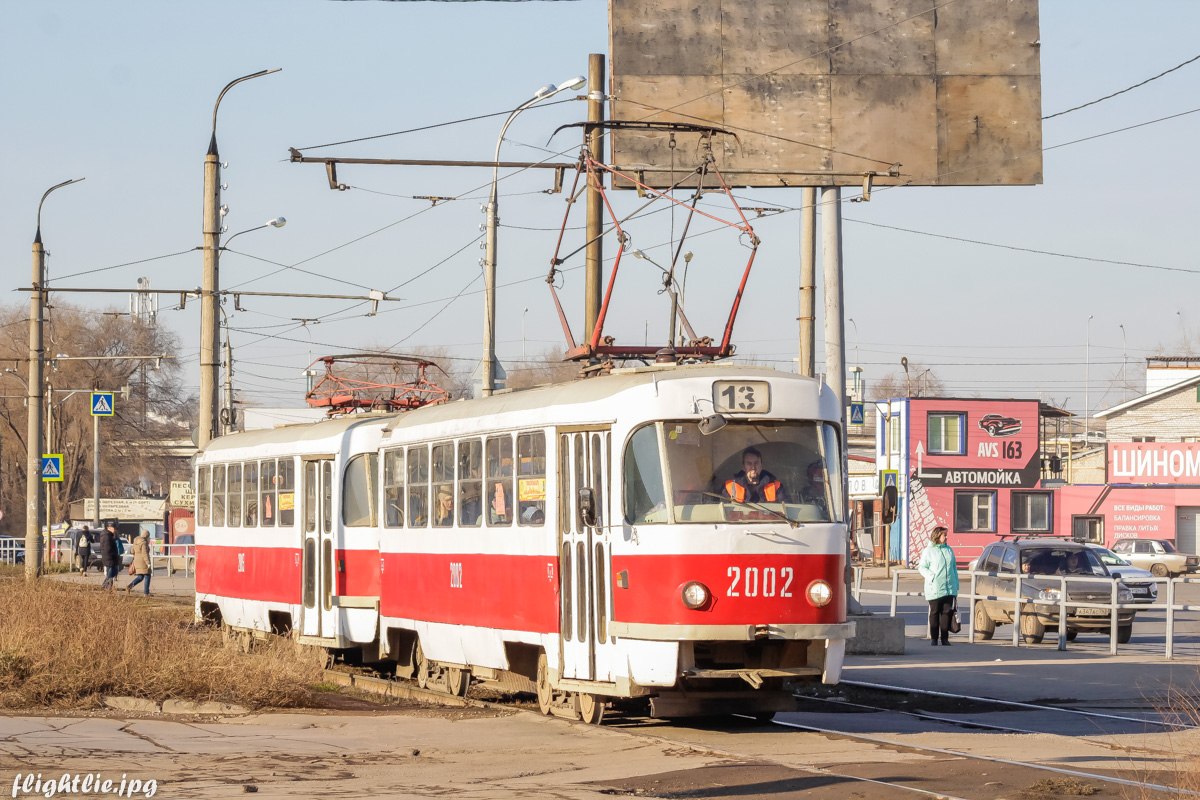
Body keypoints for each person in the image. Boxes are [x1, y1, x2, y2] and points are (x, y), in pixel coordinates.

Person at [917, 526, 959, 646]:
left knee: (947, 612)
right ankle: (934, 638)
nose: (946, 537)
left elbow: (954, 568)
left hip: (949, 587)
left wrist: (956, 585)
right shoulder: (928, 551)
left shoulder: (949, 550)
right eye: (944, 535)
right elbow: (922, 567)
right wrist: (931, 576)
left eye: (946, 535)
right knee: (935, 612)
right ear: (937, 536)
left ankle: (944, 638)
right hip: (934, 587)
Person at [126, 529, 152, 596]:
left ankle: (129, 586)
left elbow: (132, 551)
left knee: (140, 577)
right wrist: (148, 563)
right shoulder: (144, 542)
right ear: (147, 536)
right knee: (147, 576)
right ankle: (146, 593)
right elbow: (144, 553)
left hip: (136, 561)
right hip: (143, 561)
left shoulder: (135, 541)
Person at [99, 521, 120, 591]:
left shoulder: (110, 536)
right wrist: (112, 555)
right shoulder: (106, 536)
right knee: (110, 575)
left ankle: (105, 586)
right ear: (109, 528)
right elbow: (107, 549)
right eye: (113, 528)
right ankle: (108, 589)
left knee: (112, 574)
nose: (115, 530)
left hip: (111, 558)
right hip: (109, 558)